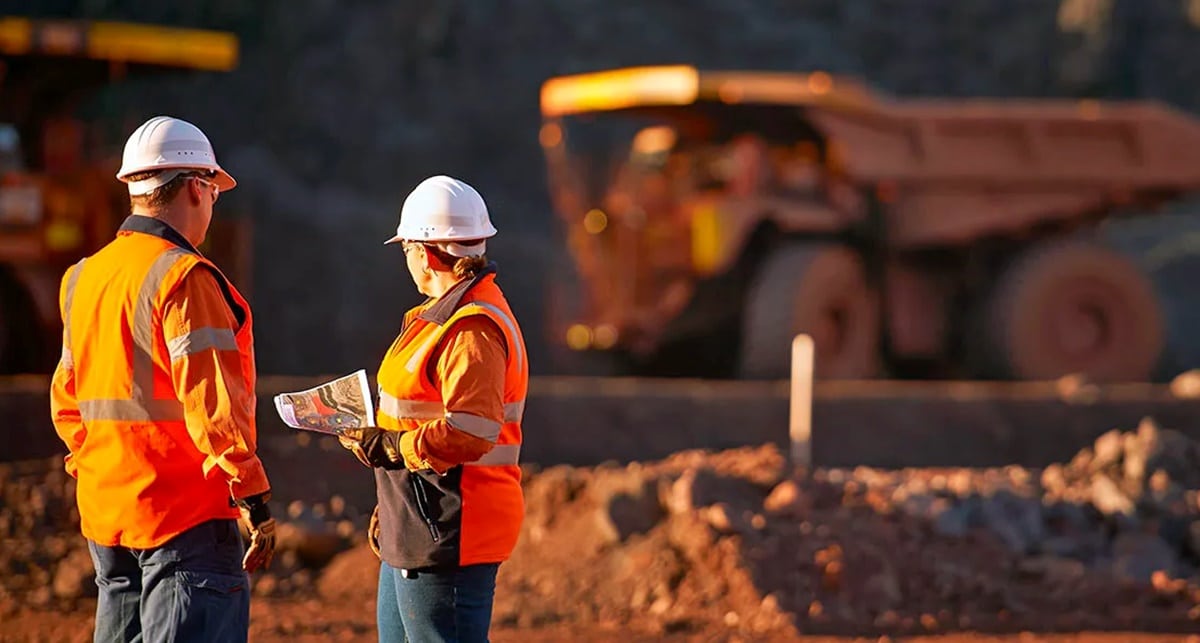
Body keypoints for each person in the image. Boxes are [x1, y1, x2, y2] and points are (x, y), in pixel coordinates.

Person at [49, 115, 276, 643]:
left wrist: (101, 470)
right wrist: (253, 496)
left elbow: (67, 401)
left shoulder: (84, 276)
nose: (213, 205)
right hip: (185, 519)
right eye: (214, 192)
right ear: (197, 188)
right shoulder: (184, 277)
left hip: (109, 516)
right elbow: (213, 404)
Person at [338, 175, 528, 643]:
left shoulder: (471, 329)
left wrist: (393, 447)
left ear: (424, 252)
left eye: (406, 249)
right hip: (419, 523)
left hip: (451, 530)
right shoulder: (438, 319)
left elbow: (472, 429)